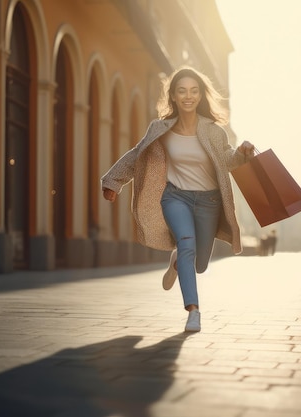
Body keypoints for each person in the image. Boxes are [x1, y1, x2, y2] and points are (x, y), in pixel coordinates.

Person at [100, 66, 255, 332]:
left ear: (201, 95)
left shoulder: (214, 132)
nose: (188, 96)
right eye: (182, 91)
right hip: (175, 198)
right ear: (172, 95)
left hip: (209, 202)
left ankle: (176, 262)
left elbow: (228, 160)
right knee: (186, 244)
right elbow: (138, 154)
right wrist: (113, 181)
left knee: (201, 262)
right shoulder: (160, 129)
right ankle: (193, 312)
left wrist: (241, 152)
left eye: (194, 91)